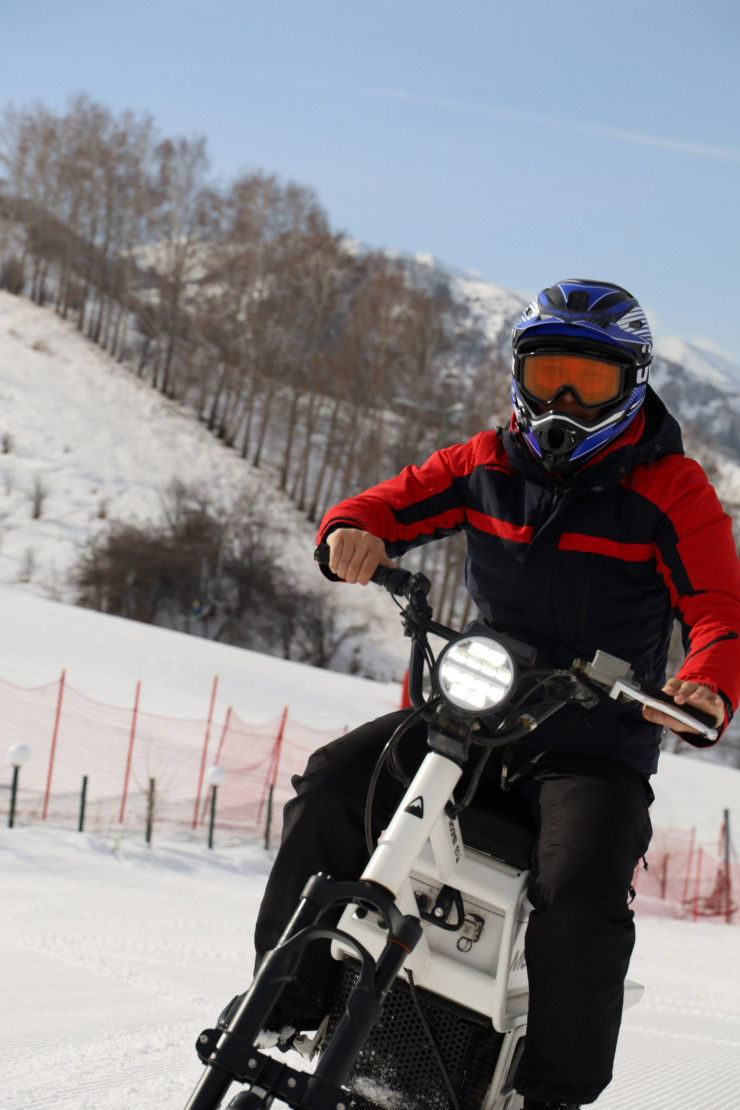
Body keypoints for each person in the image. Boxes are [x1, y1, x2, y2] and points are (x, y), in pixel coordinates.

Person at [253, 279, 740, 1110]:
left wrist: (709, 683)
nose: (564, 402)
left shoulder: (672, 490)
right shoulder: (485, 462)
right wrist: (352, 531)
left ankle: (552, 1092)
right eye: (550, 375)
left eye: (590, 382)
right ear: (519, 375)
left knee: (580, 891)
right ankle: (283, 1003)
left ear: (633, 387)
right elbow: (387, 503)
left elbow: (720, 609)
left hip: (594, 742)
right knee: (332, 784)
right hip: (473, 714)